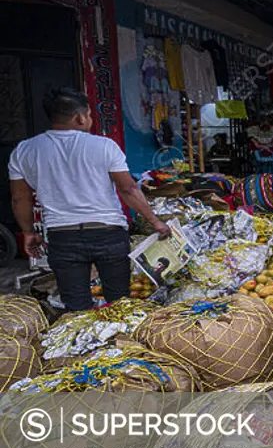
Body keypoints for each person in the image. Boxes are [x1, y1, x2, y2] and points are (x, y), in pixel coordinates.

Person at [8, 88, 170, 311]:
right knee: (119, 304)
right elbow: (129, 189)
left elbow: (19, 198)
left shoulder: (24, 150)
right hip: (108, 233)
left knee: (76, 306)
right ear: (80, 117)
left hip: (62, 236)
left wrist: (28, 233)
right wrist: (155, 222)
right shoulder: (104, 146)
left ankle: (85, 344)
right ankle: (121, 343)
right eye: (90, 114)